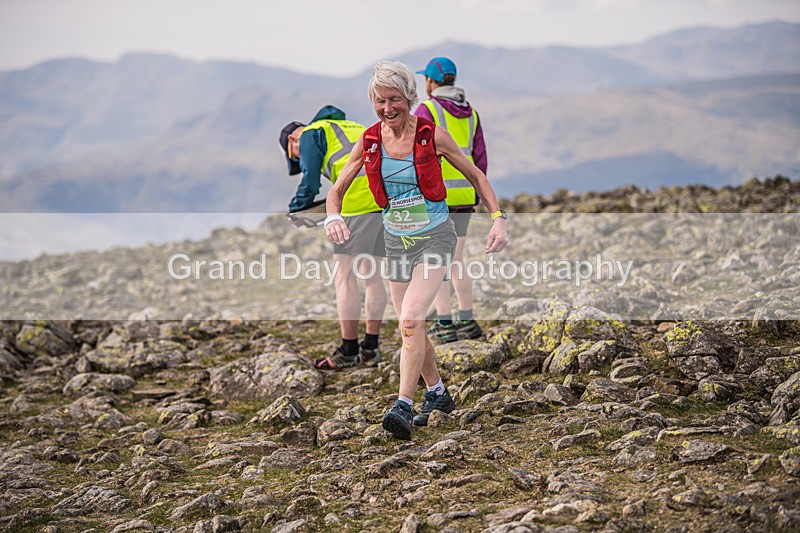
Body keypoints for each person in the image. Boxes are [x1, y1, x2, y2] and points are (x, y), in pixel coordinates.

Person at [324, 61, 508, 440]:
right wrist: (333, 217)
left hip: (435, 237)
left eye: (394, 99)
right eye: (379, 101)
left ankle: (403, 405)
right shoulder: (370, 140)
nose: (387, 108)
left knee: (409, 320)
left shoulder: (432, 135)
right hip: (396, 242)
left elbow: (475, 175)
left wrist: (498, 218)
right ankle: (437, 393)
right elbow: (337, 190)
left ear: (410, 97)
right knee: (413, 326)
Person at [279, 105, 387, 371]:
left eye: (294, 155)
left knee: (344, 275)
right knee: (372, 276)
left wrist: (297, 209)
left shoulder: (311, 133)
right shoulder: (350, 127)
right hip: (383, 199)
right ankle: (371, 347)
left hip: (356, 204)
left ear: (293, 139)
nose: (298, 159)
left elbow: (311, 181)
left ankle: (349, 350)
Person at [414, 57, 488, 344]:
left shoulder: (427, 110)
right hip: (465, 194)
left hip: (437, 196)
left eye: (425, 79)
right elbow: (479, 159)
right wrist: (478, 191)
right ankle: (467, 319)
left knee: (436, 261)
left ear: (431, 81)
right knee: (457, 258)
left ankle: (444, 322)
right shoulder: (472, 114)